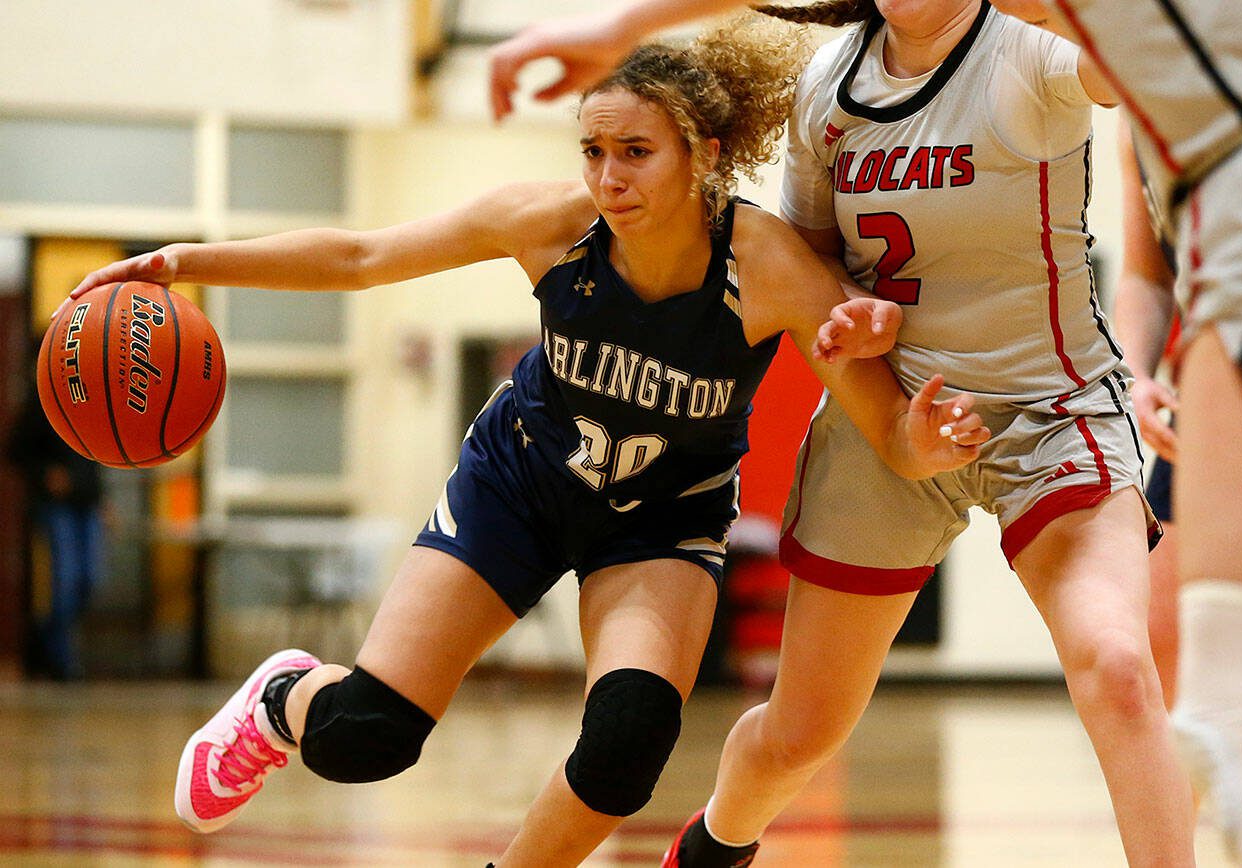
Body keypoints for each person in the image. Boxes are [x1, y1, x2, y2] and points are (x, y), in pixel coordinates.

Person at [67, 20, 991, 868]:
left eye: (636, 153)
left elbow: (891, 437)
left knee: (627, 747)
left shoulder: (772, 267)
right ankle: (282, 700)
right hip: (517, 484)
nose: (610, 177)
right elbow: (361, 257)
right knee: (367, 740)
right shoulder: (553, 227)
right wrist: (183, 263)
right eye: (594, 151)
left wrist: (928, 444)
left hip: (659, 522)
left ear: (705, 156)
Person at [491, 2, 1198, 866]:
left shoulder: (1038, 53)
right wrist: (857, 322)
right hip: (889, 419)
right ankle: (715, 844)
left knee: (1119, 669)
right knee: (797, 734)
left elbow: (1137, 45)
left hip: (1048, 413)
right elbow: (815, 266)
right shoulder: (828, 87)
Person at [986, 3, 1242, 864]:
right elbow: (1148, 271)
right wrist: (1140, 373)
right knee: (1179, 677)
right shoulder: (1155, 115)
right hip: (1199, 380)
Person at [1112, 124, 1180, 709]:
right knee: (1161, 640)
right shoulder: (1140, 108)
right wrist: (1136, 374)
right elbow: (1146, 272)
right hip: (1217, 389)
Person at [6, 358, 106, 681]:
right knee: (65, 582)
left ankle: (44, 642)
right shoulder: (42, 400)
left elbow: (98, 455)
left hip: (88, 503)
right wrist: (45, 474)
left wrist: (103, 500)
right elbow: (14, 450)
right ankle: (61, 662)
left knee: (89, 580)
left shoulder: (98, 395)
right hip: (58, 506)